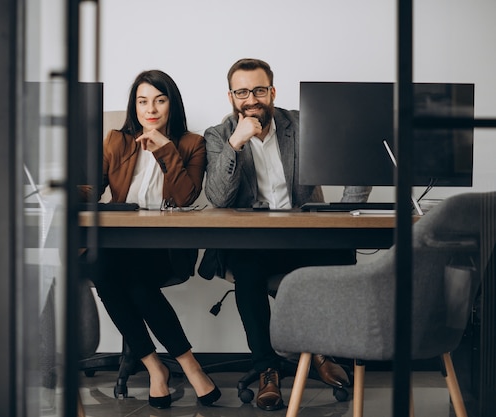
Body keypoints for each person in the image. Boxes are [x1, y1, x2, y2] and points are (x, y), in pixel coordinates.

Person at [198, 58, 372, 411]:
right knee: (247, 273)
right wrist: (235, 145)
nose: (252, 99)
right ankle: (266, 369)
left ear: (272, 91)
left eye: (259, 90)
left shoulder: (303, 123)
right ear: (231, 96)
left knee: (342, 255)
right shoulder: (218, 135)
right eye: (243, 91)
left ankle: (319, 351)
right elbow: (218, 197)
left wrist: (344, 212)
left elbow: (359, 154)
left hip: (305, 235)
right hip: (252, 242)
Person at [90, 69, 220, 409]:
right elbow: (94, 188)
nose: (151, 109)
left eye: (159, 101)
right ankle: (158, 366)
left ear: (171, 104)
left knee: (123, 277)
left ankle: (179, 366)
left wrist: (165, 150)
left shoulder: (192, 143)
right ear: (134, 106)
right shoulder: (116, 140)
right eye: (143, 101)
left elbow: (185, 197)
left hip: (165, 247)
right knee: (106, 271)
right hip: (119, 243)